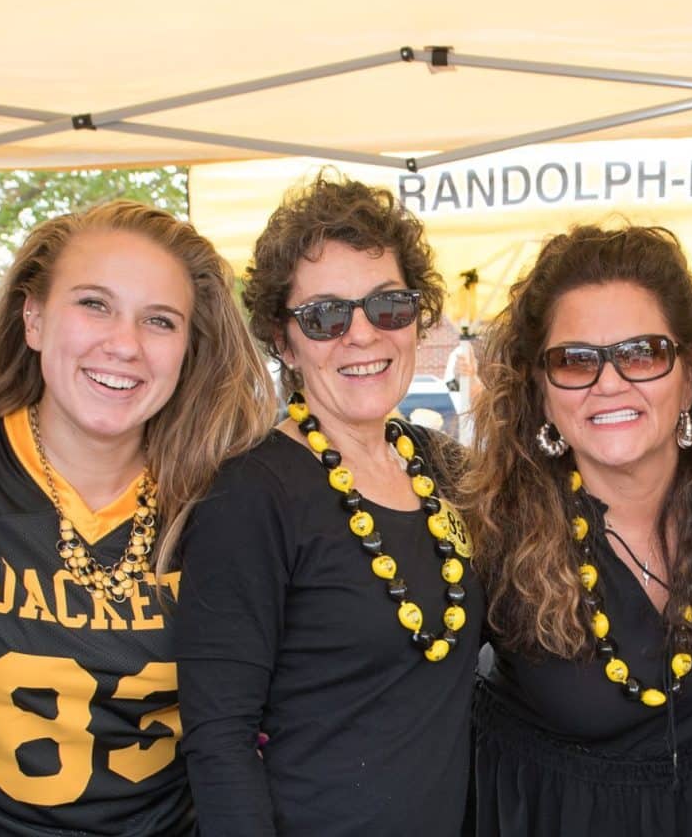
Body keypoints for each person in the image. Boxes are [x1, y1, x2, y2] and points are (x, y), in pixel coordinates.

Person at [0, 201, 273, 835]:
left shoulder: (226, 500)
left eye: (159, 321)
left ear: (189, 349)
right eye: (94, 304)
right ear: (33, 319)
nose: (125, 345)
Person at [175, 175, 482, 836]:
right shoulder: (250, 494)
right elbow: (219, 740)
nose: (362, 335)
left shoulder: (445, 469)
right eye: (325, 316)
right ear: (284, 342)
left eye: (388, 306)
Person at [463, 223, 692, 836]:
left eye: (643, 353)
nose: (609, 382)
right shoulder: (489, 538)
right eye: (574, 360)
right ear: (541, 391)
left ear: (689, 374)